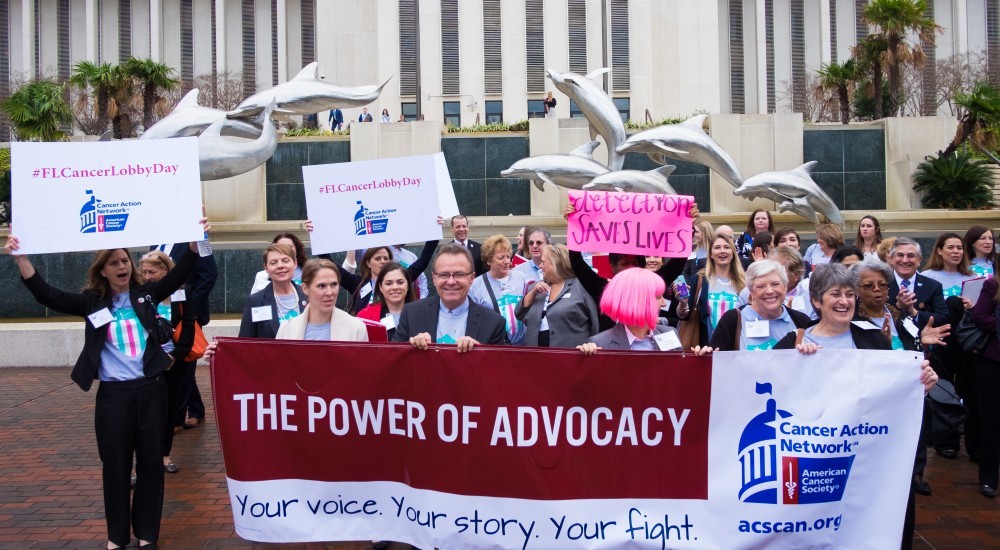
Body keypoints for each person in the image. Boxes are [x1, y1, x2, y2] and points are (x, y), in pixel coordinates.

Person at [6, 221, 210, 550]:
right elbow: (48, 295)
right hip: (114, 396)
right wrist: (22, 259)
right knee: (115, 466)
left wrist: (195, 238)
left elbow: (180, 273)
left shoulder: (145, 294)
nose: (122, 267)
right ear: (102, 270)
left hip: (151, 390)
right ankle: (117, 536)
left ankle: (147, 533)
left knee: (150, 464)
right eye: (114, 262)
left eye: (125, 261)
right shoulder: (92, 302)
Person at [773, 263, 939, 550]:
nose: (844, 301)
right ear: (817, 301)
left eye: (850, 294)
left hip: (866, 458)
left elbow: (892, 392)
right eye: (835, 294)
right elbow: (769, 393)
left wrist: (920, 386)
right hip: (816, 461)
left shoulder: (871, 337)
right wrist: (797, 365)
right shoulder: (794, 342)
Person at [138, 251, 198, 475]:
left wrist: (176, 356)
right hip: (148, 362)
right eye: (144, 272)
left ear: (165, 271)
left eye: (152, 272)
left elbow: (189, 323)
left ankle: (164, 455)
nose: (147, 276)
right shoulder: (141, 294)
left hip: (174, 362)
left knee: (169, 409)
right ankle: (142, 459)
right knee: (146, 412)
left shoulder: (181, 293)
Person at [392, 243, 507, 351]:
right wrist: (410, 348)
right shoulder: (411, 314)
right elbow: (394, 358)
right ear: (434, 279)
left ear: (472, 278)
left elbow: (497, 365)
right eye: (444, 275)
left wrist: (479, 353)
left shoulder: (493, 323)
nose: (451, 281)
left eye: (459, 274)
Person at [709, 260, 812, 351]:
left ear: (785, 287)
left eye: (775, 284)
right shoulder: (733, 320)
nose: (769, 291)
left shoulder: (801, 321)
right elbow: (717, 360)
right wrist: (705, 354)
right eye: (761, 286)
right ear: (751, 292)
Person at [577, 267, 681, 354]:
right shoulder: (600, 343)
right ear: (637, 302)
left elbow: (678, 370)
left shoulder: (670, 333)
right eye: (658, 297)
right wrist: (587, 358)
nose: (664, 303)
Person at [517, 244, 599, 348]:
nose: (540, 266)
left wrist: (593, 346)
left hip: (572, 353)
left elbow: (595, 322)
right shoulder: (536, 288)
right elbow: (519, 314)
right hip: (537, 354)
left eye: (543, 262)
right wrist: (533, 293)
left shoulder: (581, 286)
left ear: (555, 264)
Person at [276, 259, 369, 342]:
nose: (329, 292)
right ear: (305, 288)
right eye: (321, 286)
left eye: (334, 285)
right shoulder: (286, 329)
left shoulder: (356, 328)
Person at [679, 234, 747, 345]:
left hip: (735, 347)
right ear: (710, 254)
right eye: (717, 247)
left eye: (726, 247)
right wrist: (683, 304)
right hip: (705, 347)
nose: (722, 251)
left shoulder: (744, 282)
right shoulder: (699, 279)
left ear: (733, 253)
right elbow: (685, 316)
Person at [339, 240, 437, 315]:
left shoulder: (399, 278)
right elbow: (335, 269)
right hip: (364, 333)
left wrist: (434, 231)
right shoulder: (357, 282)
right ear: (368, 263)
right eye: (378, 258)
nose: (383, 261)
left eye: (386, 258)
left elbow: (422, 262)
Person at [971, 255, 1000, 498]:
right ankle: (989, 477)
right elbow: (979, 316)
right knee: (991, 420)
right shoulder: (993, 284)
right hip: (993, 361)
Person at [468, 235, 531, 345]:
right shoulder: (476, 285)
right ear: (489, 260)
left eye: (508, 256)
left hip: (524, 346)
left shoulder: (521, 277)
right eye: (501, 258)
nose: (506, 261)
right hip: (494, 346)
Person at [239, 243, 307, 339]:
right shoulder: (255, 301)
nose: (280, 266)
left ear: (295, 263)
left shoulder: (309, 296)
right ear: (266, 268)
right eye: (273, 263)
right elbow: (245, 342)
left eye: (285, 261)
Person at [887, 237, 948, 330]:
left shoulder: (933, 286)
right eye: (900, 255)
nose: (905, 260)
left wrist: (913, 311)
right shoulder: (882, 284)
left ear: (919, 260)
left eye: (910, 256)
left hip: (924, 337)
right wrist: (898, 307)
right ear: (892, 259)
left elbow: (943, 319)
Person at [356, 261, 418, 340]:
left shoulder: (422, 314)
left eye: (400, 282)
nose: (395, 287)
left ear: (408, 285)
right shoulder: (365, 317)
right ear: (380, 287)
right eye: (389, 283)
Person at [922, 232, 976, 300]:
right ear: (939, 251)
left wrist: (970, 304)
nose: (956, 251)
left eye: (959, 248)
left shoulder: (972, 278)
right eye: (950, 247)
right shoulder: (926, 277)